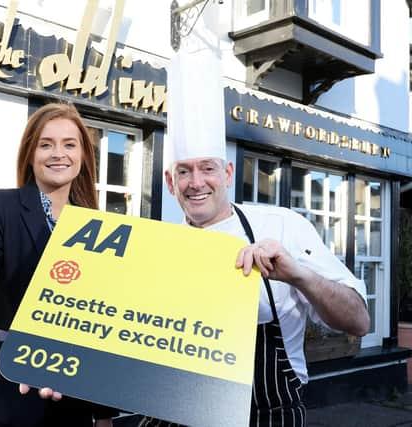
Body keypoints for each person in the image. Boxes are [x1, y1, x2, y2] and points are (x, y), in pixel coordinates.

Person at [137, 49, 370, 427]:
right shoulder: (162, 249)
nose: (196, 183)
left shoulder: (281, 225)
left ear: (227, 173)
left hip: (267, 412)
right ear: (169, 181)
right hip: (182, 410)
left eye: (207, 169)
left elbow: (359, 321)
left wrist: (298, 275)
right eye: (183, 171)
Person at [0, 103, 115, 427]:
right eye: (46, 144)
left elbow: (101, 324)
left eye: (69, 144)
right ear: (30, 153)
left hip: (71, 402)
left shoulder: (99, 227)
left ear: (83, 156)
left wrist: (103, 414)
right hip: (3, 398)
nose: (58, 154)